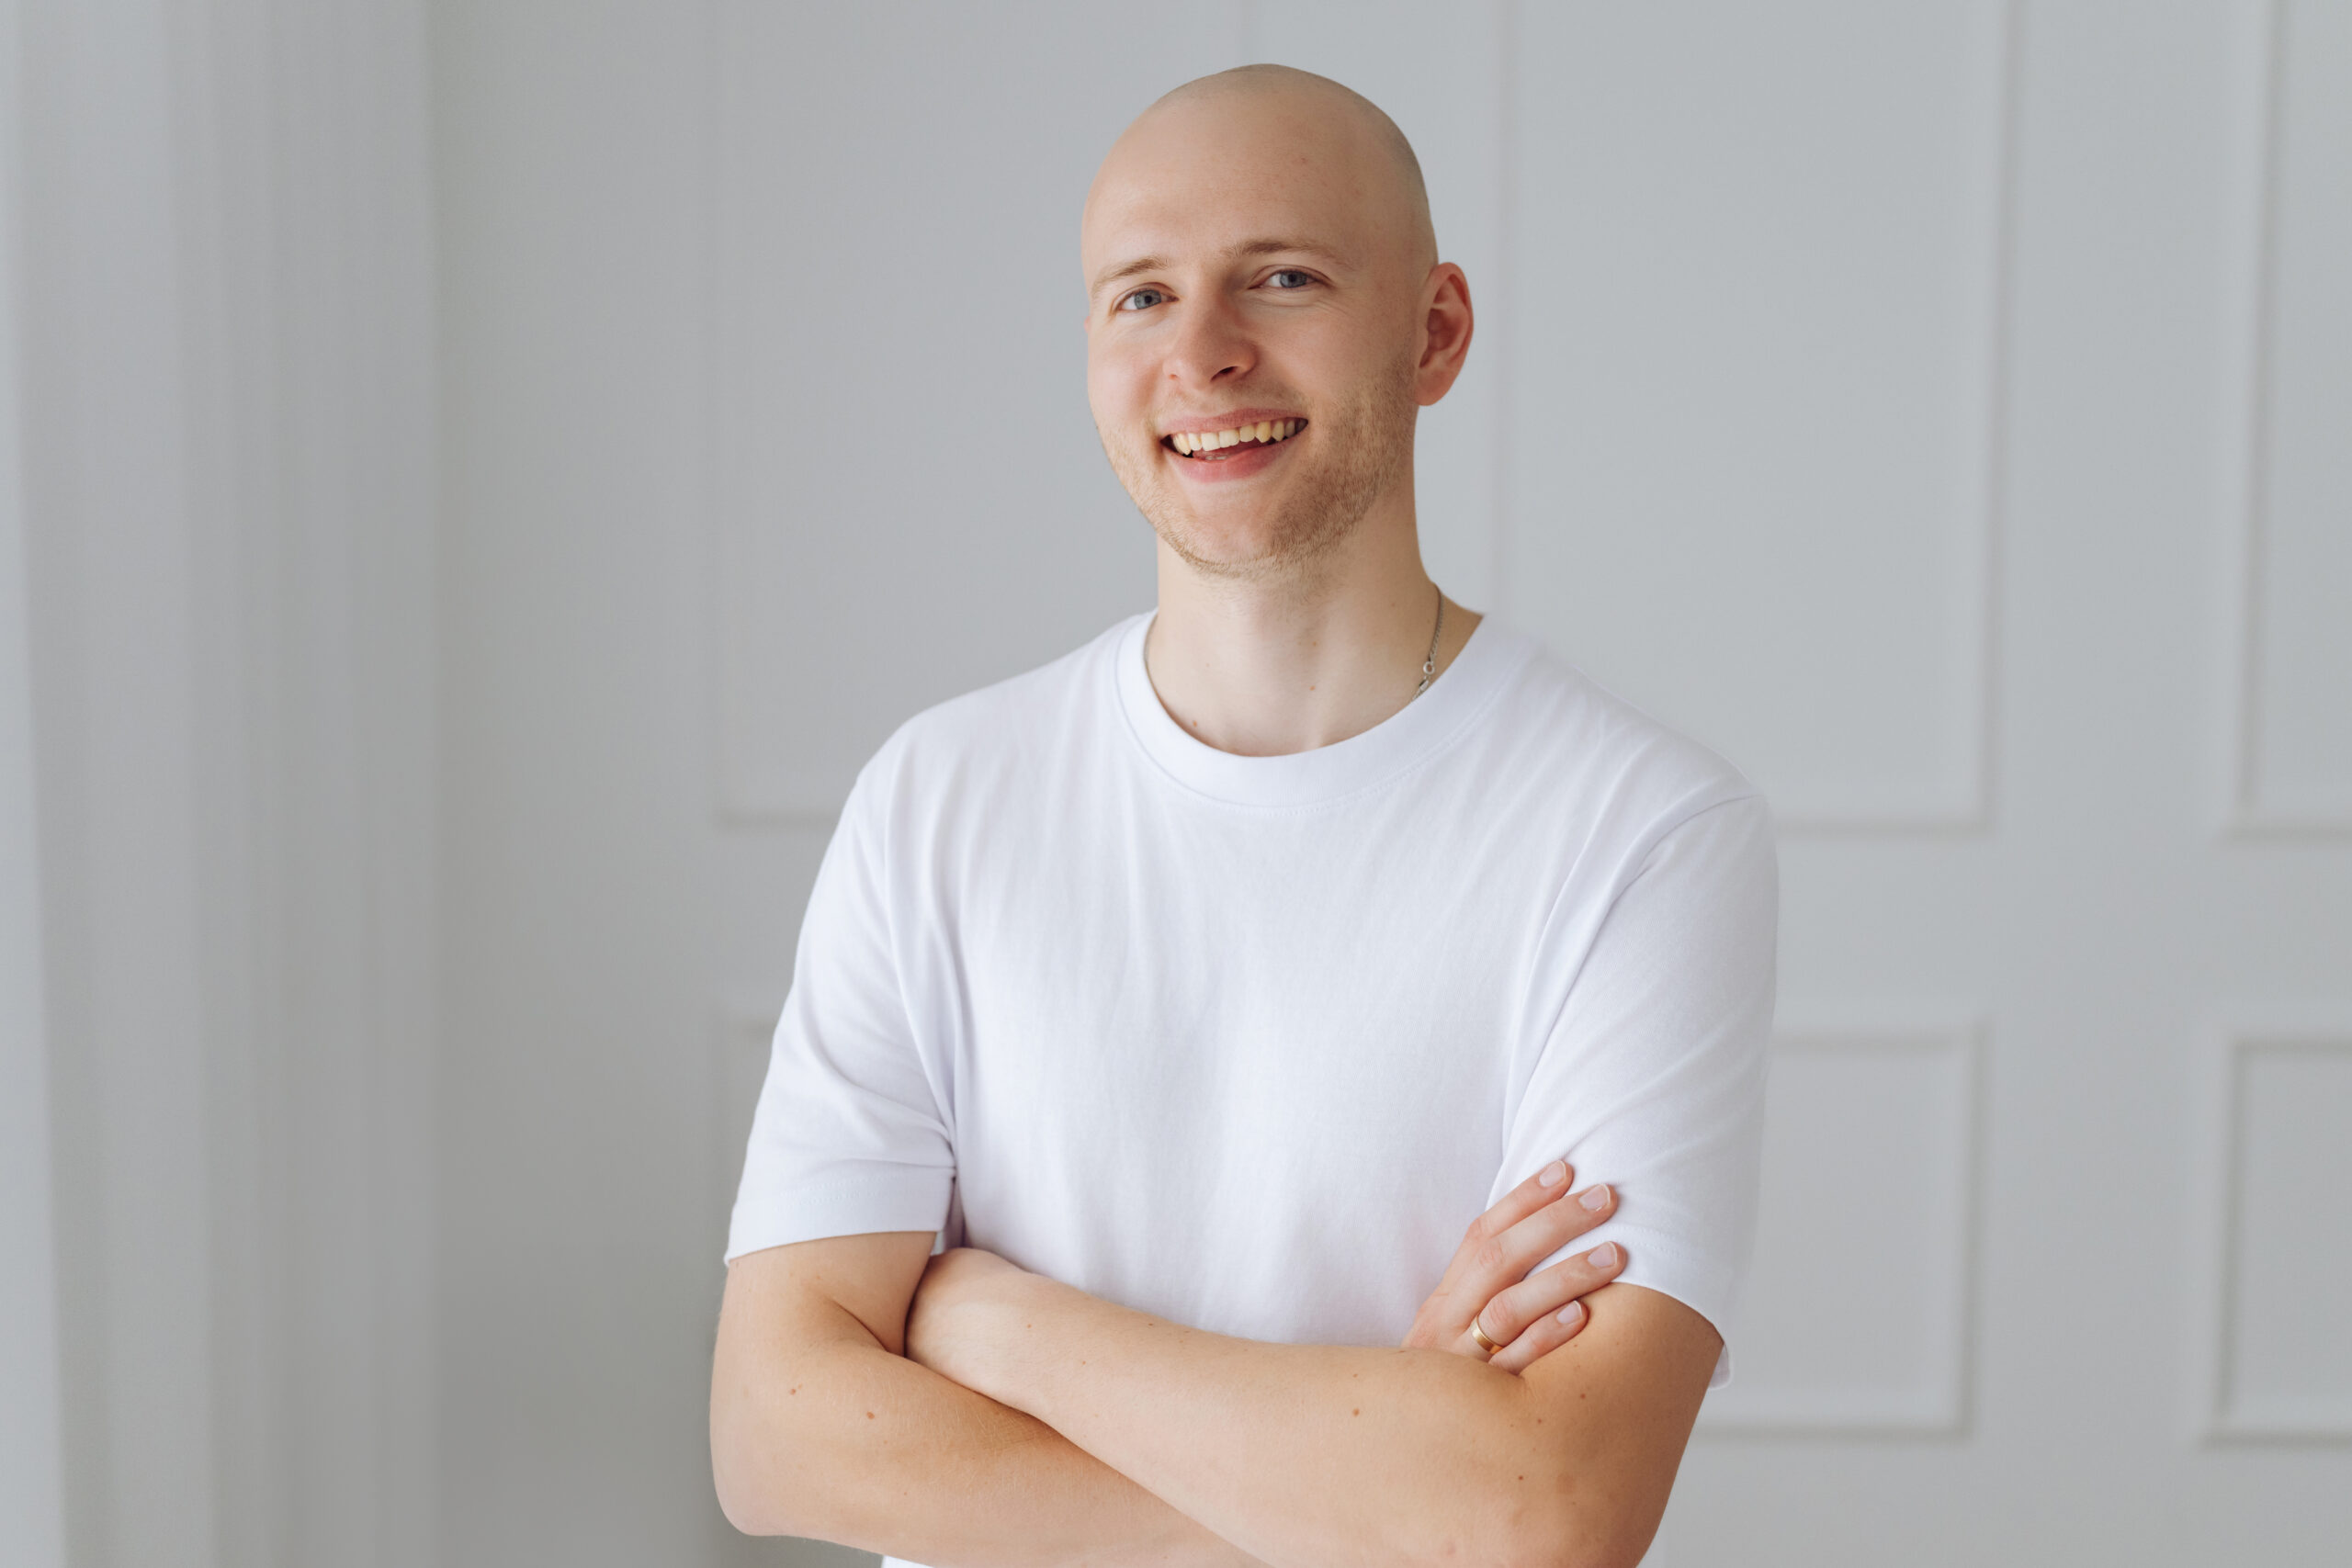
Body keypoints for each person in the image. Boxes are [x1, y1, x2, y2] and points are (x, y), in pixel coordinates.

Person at [710, 63, 1775, 1568]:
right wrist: (1375, 1506)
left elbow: (1548, 1508)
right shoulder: (938, 798)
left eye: (1283, 278)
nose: (1202, 353)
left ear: (1436, 332)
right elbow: (775, 1440)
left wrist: (993, 1321)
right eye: (1141, 296)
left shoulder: (1643, 832)